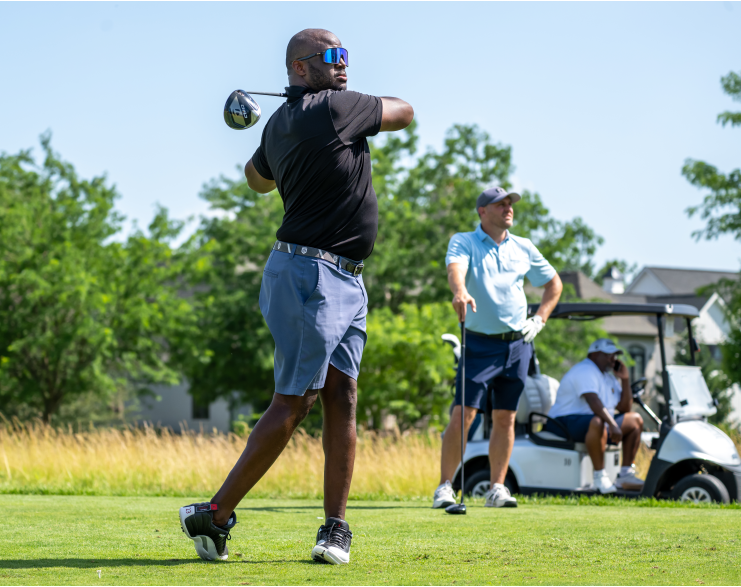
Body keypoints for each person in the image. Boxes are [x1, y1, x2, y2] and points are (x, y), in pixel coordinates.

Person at [179, 28, 414, 565]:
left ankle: (335, 528)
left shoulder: (284, 121)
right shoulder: (336, 108)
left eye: (346, 56)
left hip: (345, 278)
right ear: (301, 67)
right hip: (312, 275)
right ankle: (214, 514)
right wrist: (308, 111)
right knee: (297, 399)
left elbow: (256, 180)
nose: (344, 63)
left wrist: (279, 124)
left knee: (342, 396)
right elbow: (405, 112)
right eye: (332, 57)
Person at [433, 187, 563, 509]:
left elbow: (554, 284)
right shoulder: (464, 241)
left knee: (506, 417)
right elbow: (455, 269)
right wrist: (460, 291)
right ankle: (445, 487)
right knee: (464, 415)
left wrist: (540, 319)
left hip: (518, 345)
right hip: (479, 343)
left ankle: (496, 488)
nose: (508, 208)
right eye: (500, 204)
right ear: (482, 211)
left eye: (510, 204)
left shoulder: (523, 246)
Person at [545, 338, 646, 493]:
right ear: (594, 354)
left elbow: (625, 408)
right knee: (598, 421)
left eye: (615, 355)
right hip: (563, 422)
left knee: (635, 420)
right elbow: (593, 401)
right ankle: (599, 477)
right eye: (608, 355)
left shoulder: (608, 376)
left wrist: (625, 379)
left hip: (591, 422)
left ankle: (625, 475)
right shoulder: (585, 370)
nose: (613, 359)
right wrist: (612, 424)